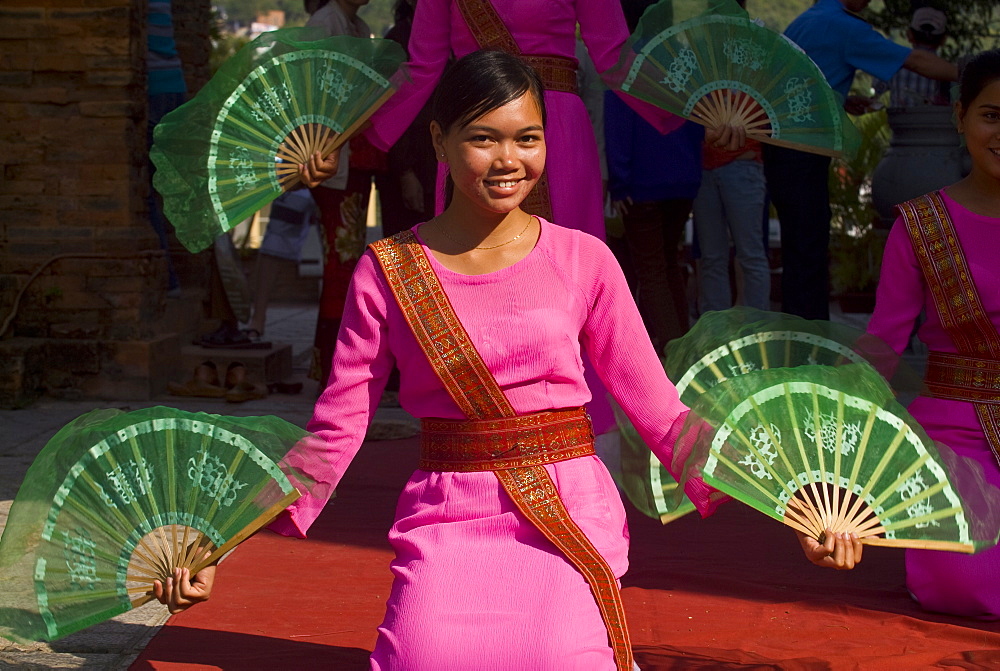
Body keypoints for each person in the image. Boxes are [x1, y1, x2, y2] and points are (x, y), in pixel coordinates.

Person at [153, 51, 860, 669]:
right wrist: (221, 540)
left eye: (528, 139)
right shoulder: (389, 269)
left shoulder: (586, 259)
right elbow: (335, 432)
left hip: (567, 512)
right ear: (439, 140)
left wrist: (794, 505)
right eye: (483, 139)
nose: (509, 161)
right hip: (447, 515)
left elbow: (664, 416)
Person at [866, 49, 1000, 620]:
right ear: (961, 117)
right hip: (955, 433)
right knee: (961, 584)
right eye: (992, 115)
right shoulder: (920, 225)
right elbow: (882, 345)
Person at [764, 0, 958, 321]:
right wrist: (976, 73)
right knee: (808, 247)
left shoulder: (811, 18)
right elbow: (917, 61)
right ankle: (809, 341)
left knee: (800, 245)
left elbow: (806, 77)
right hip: (801, 146)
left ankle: (801, 332)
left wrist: (841, 99)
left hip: (782, 142)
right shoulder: (846, 27)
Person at [304, 0, 385, 389]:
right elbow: (316, 94)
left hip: (357, 157)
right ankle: (331, 367)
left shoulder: (358, 25)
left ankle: (337, 365)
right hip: (332, 157)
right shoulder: (326, 23)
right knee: (341, 262)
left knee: (349, 262)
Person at [692, 132, 770, 315]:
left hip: (743, 163)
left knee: (750, 255)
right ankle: (716, 334)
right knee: (711, 258)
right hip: (703, 167)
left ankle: (757, 333)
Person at [877, 7, 952, 109]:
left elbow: (877, 89)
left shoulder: (894, 63)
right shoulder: (949, 71)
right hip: (935, 123)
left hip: (900, 123)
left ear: (909, 35)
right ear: (943, 40)